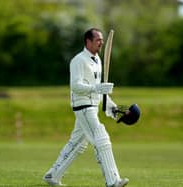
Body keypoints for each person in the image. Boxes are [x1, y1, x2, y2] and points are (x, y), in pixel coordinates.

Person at [43, 28, 129, 187]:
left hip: (93, 105)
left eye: (102, 40)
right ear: (88, 41)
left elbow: (99, 90)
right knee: (101, 138)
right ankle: (113, 181)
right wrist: (96, 89)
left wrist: (113, 107)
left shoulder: (97, 61)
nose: (101, 42)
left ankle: (52, 175)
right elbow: (75, 86)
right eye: (98, 39)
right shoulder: (78, 60)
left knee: (77, 144)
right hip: (83, 106)